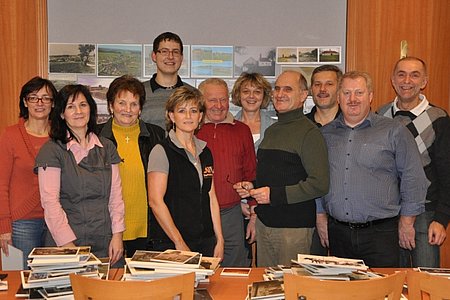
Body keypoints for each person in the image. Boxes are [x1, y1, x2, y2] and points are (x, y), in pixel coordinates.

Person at [316, 71, 428, 267]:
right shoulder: (325, 135)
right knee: (344, 293)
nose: (353, 99)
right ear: (339, 97)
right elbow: (317, 178)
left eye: (359, 93)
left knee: (382, 292)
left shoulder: (394, 131)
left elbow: (413, 177)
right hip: (338, 233)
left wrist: (407, 222)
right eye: (347, 93)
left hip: (381, 234)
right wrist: (320, 216)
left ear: (370, 96)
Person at [234, 71, 330, 267]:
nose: (280, 93)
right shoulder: (272, 131)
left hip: (293, 229)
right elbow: (273, 177)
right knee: (267, 289)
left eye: (288, 89)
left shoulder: (310, 133)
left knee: (290, 289)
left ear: (303, 96)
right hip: (265, 224)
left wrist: (274, 195)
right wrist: (252, 185)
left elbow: (320, 184)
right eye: (277, 88)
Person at [35, 84, 125, 265]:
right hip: (66, 243)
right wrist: (69, 247)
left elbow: (116, 197)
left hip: (105, 241)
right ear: (61, 114)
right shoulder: (51, 151)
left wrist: (117, 235)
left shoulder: (107, 147)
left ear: (91, 109)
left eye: (83, 105)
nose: (78, 111)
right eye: (70, 106)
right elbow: (50, 203)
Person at [378, 57, 450, 268]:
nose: (406, 80)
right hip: (387, 214)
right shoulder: (379, 116)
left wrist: (442, 218)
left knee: (425, 281)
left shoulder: (439, 119)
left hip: (425, 214)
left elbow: (447, 173)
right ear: (393, 80)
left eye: (414, 75)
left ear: (424, 81)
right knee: (392, 280)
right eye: (401, 74)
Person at [147, 86, 224, 259]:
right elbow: (155, 202)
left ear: (200, 116)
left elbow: (211, 197)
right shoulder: (161, 151)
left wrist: (219, 239)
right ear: (171, 116)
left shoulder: (205, 152)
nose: (188, 116)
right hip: (172, 243)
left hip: (205, 240)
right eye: (182, 111)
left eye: (193, 110)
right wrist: (179, 242)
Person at [97, 75, 165, 257]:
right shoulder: (95, 137)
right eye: (121, 103)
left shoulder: (156, 135)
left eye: (134, 104)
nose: (128, 109)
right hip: (108, 228)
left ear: (140, 108)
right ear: (111, 106)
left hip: (148, 229)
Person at [197, 78, 256, 267]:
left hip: (231, 213)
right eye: (212, 100)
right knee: (199, 265)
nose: (219, 106)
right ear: (201, 100)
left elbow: (251, 172)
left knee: (234, 267)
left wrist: (254, 211)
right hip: (199, 212)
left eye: (223, 100)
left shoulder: (241, 130)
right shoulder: (191, 129)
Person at [0, 77, 57, 268]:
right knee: (20, 284)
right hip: (20, 224)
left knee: (53, 284)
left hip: (55, 222)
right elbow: (1, 185)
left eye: (45, 98)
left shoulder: (60, 136)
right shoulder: (11, 135)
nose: (39, 103)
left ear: (53, 103)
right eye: (33, 98)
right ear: (25, 102)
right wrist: (4, 227)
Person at [231, 72, 275, 263]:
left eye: (257, 92)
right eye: (246, 91)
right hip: (235, 205)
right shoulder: (227, 126)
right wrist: (242, 203)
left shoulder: (276, 127)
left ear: (264, 96)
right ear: (238, 95)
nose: (251, 96)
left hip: (268, 203)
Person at [305, 65, 343, 256]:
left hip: (346, 218)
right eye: (317, 84)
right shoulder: (300, 126)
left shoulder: (353, 124)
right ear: (311, 89)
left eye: (329, 84)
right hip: (307, 216)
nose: (322, 89)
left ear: (339, 88)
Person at [140, 32, 193, 128]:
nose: (170, 57)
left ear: (181, 57)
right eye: (164, 51)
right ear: (154, 56)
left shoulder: (193, 94)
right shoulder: (138, 92)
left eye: (175, 52)